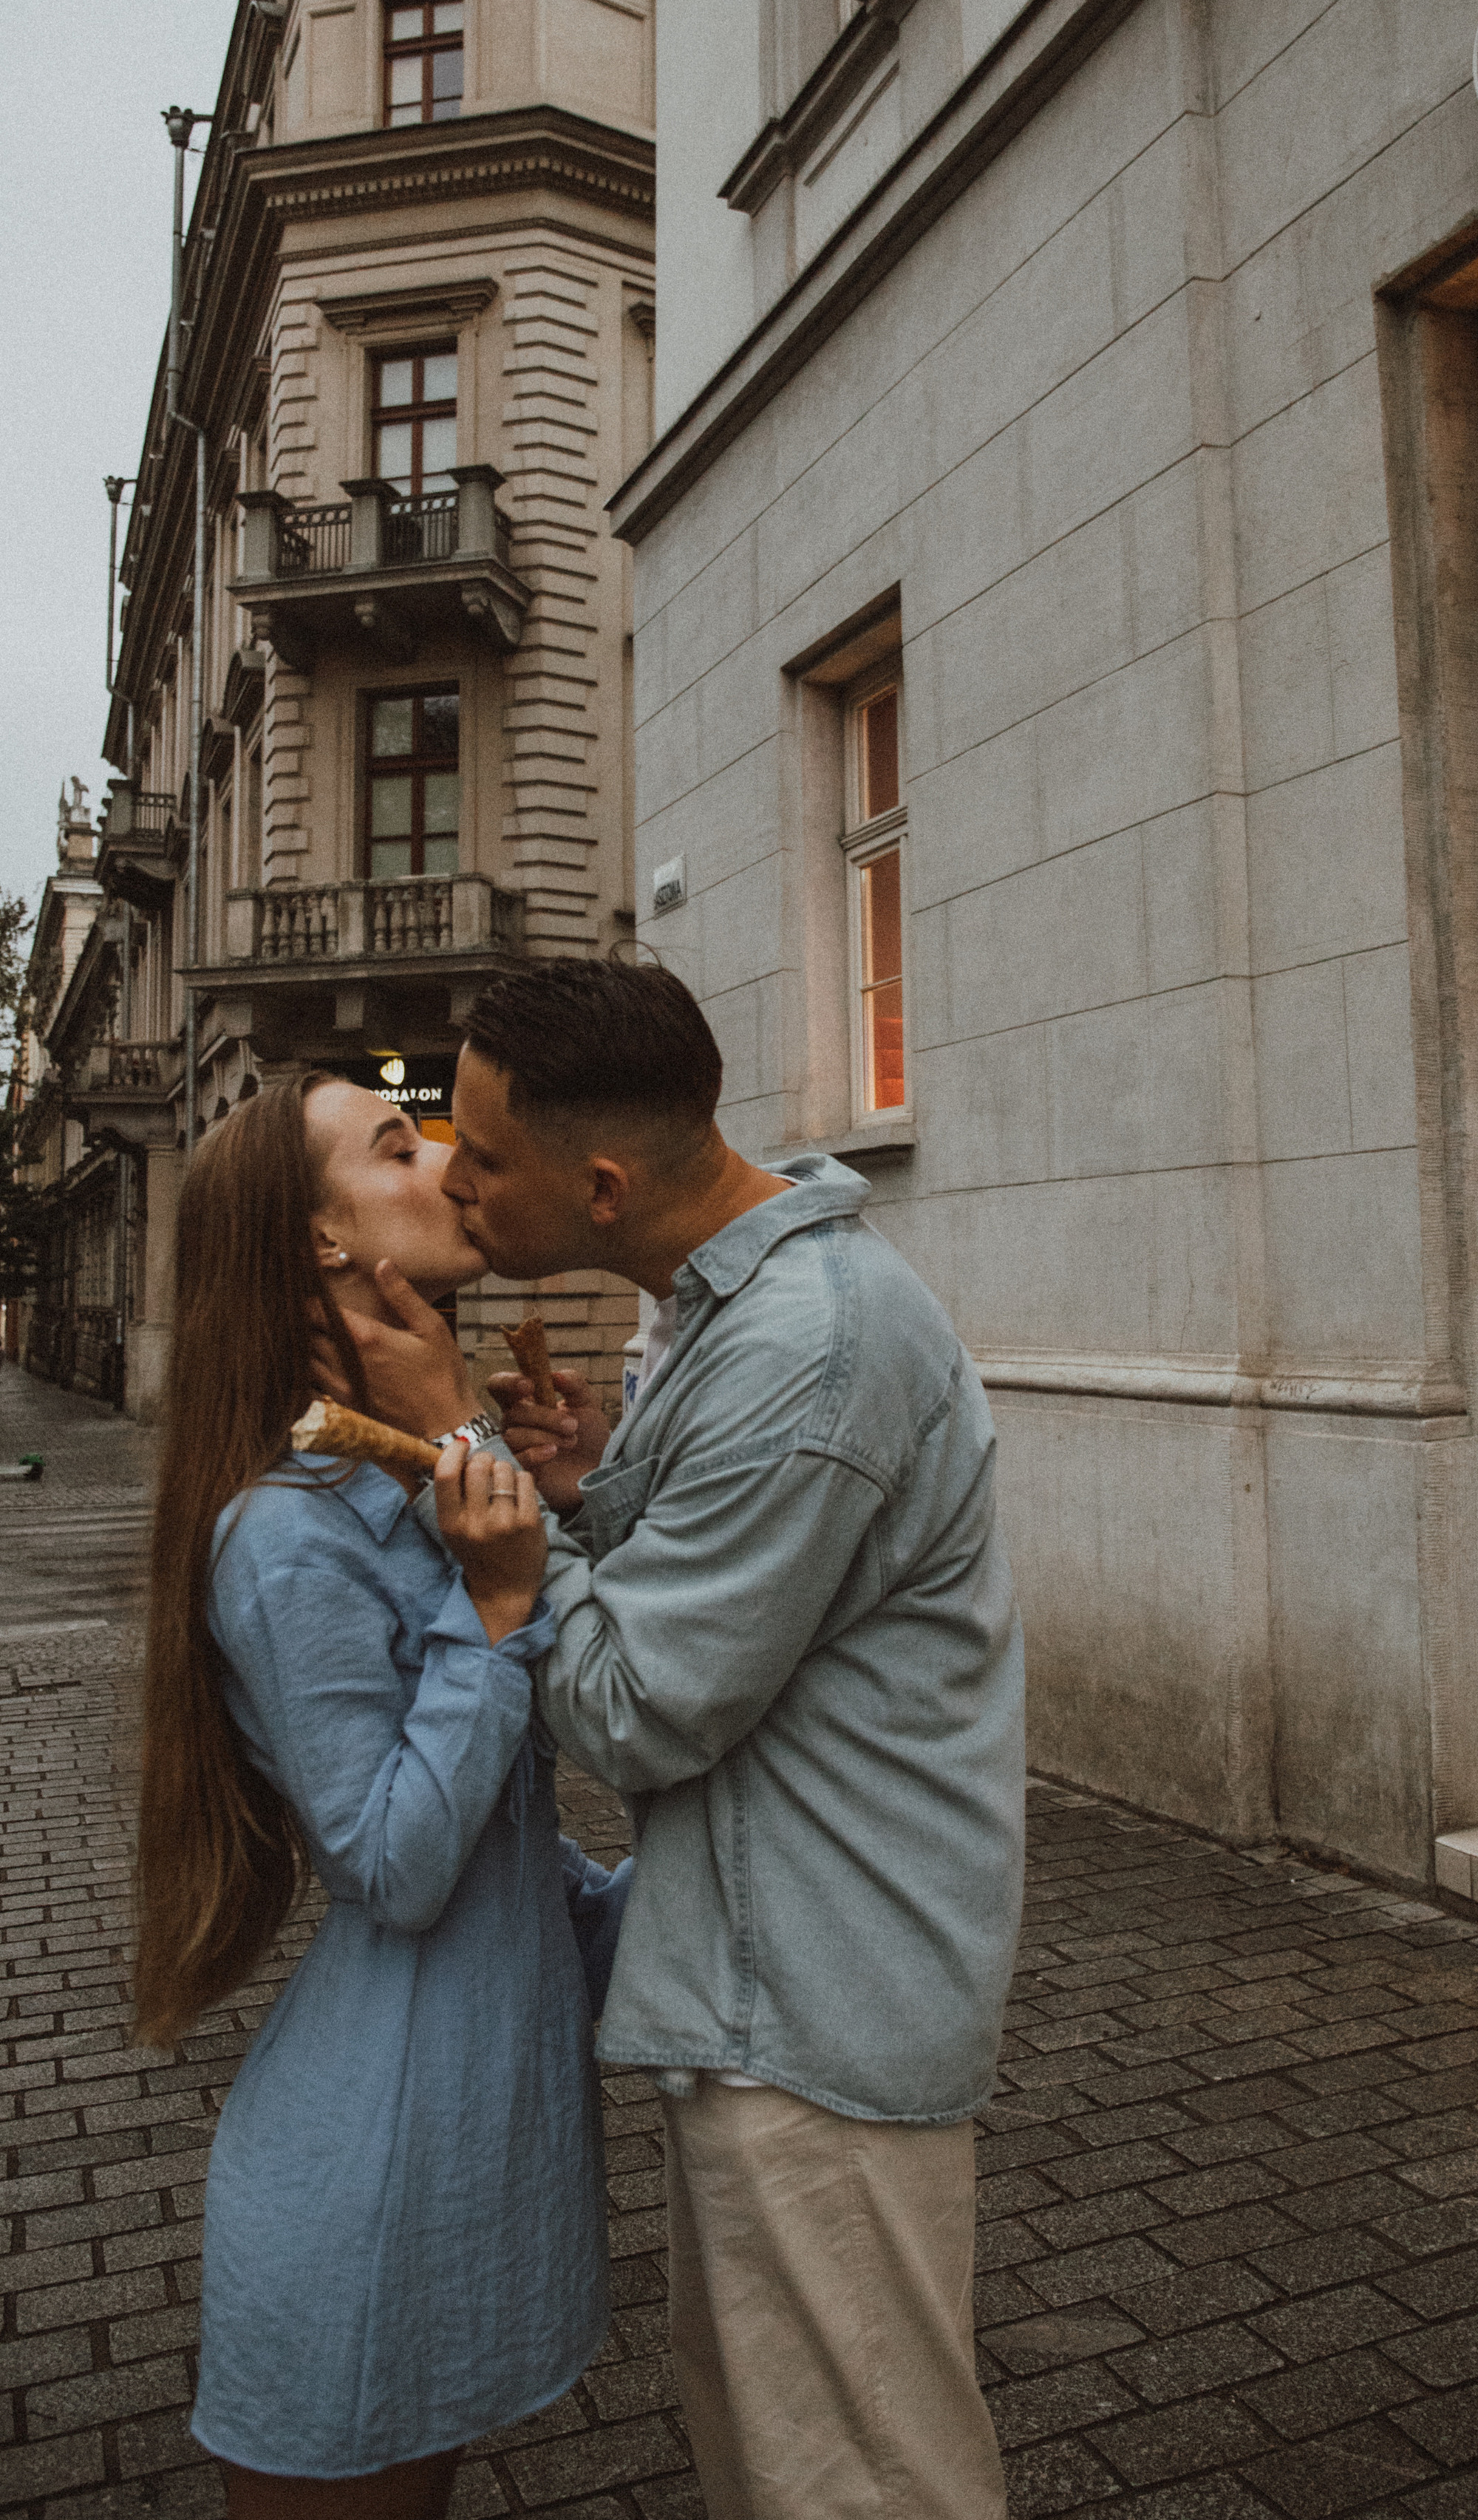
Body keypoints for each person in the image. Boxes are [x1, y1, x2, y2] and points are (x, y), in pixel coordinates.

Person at [325, 959, 1025, 2520]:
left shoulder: (806, 1346)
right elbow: (737, 1595)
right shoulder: (731, 1305)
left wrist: (477, 1482)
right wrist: (590, 1489)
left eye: (482, 1155)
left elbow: (640, 1711)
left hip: (821, 2006)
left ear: (596, 1185)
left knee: (853, 2488)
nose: (451, 1175)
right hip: (766, 1982)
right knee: (780, 2466)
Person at [133, 1072, 630, 2519]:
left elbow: (511, 1852)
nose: (451, 1160)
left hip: (459, 2145)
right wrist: (493, 1614)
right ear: (320, 1244)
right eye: (399, 1147)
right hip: (363, 2184)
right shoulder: (280, 1538)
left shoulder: (412, 1487)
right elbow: (396, 1869)